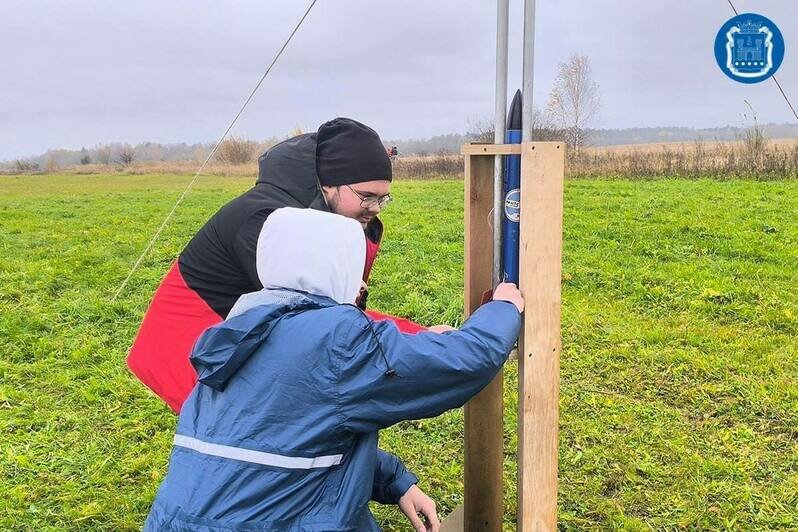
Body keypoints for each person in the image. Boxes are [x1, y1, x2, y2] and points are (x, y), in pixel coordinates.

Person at [144, 207, 524, 532]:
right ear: (329, 266)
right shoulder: (335, 340)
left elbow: (288, 444)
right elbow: (460, 362)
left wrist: (395, 482)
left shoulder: (239, 332)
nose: (360, 281)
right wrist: (504, 307)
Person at [127, 118, 426, 415]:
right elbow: (321, 319)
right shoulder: (269, 222)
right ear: (328, 183)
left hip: (234, 343)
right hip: (192, 345)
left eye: (383, 198)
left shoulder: (317, 217)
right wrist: (419, 337)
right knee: (246, 443)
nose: (375, 209)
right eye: (367, 197)